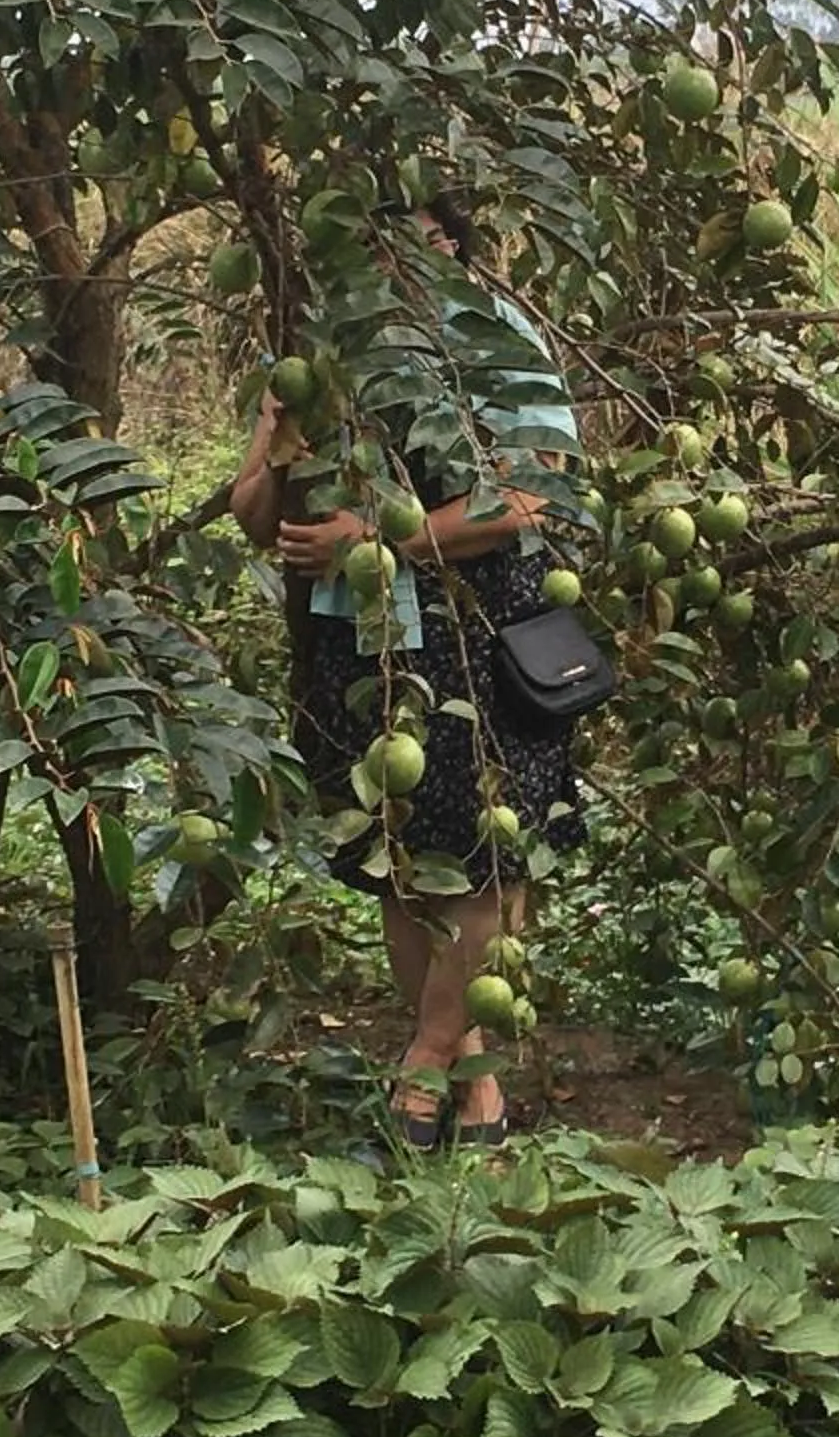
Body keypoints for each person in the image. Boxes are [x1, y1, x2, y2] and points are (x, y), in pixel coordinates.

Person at [227, 195, 587, 1154]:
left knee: (487, 855)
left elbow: (531, 491)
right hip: (367, 640)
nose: (397, 264)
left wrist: (388, 538)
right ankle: (476, 1097)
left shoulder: (497, 342)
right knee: (408, 869)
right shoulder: (322, 363)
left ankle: (425, 1065)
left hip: (483, 624)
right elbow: (256, 512)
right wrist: (283, 442)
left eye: (421, 243)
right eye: (374, 245)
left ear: (454, 250)